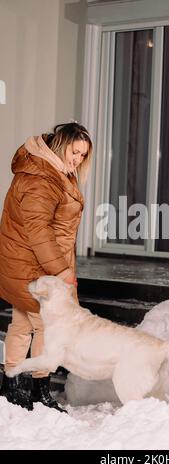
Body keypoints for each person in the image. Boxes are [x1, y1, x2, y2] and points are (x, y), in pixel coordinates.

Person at [0, 122, 93, 412]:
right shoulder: (42, 178)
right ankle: (37, 388)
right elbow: (38, 232)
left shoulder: (52, 171)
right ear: (59, 144)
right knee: (46, 326)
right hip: (34, 264)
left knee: (23, 323)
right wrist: (61, 271)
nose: (77, 159)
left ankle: (13, 385)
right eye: (74, 151)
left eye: (82, 155)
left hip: (33, 262)